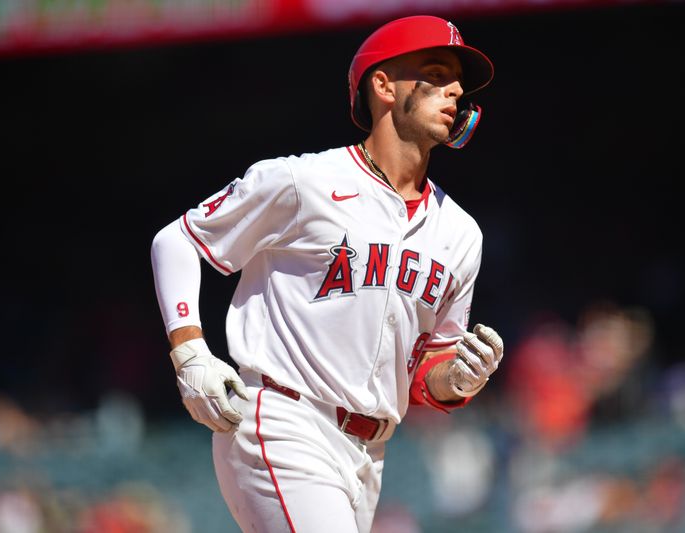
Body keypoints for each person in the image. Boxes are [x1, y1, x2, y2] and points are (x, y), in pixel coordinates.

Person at [150, 15, 504, 533]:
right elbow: (177, 240)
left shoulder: (461, 233)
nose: (454, 90)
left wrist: (460, 377)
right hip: (284, 419)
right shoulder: (303, 182)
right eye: (434, 73)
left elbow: (430, 372)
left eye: (458, 84)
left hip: (368, 454)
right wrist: (189, 351)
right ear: (382, 85)